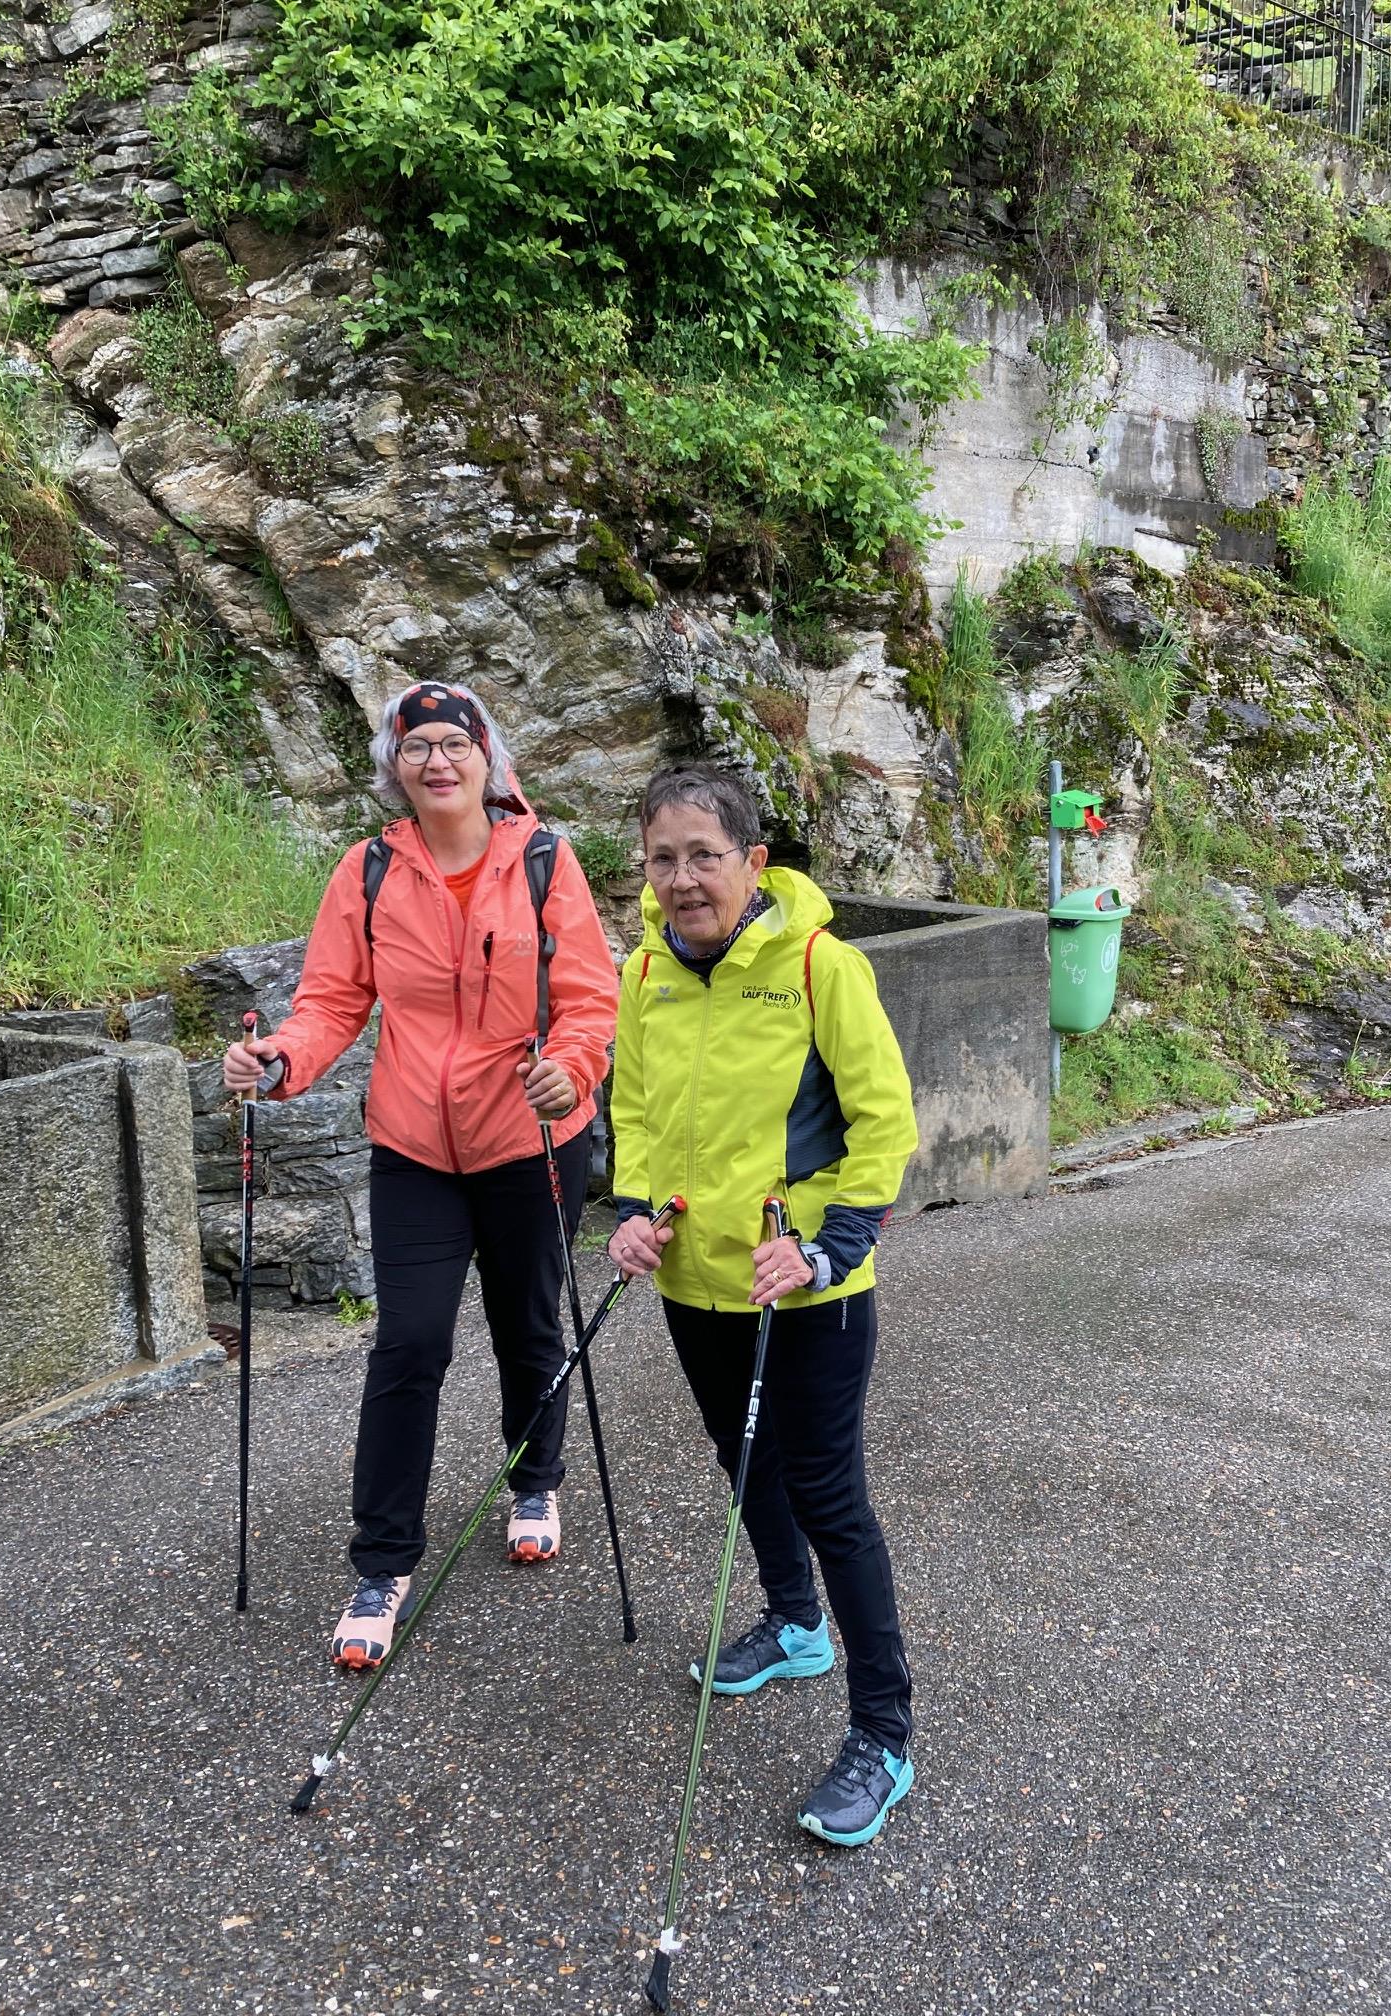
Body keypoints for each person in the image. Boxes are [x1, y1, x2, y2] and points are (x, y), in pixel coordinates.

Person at [222, 680, 617, 1669]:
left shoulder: (542, 861)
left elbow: (589, 1001)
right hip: (413, 1147)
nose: (437, 761)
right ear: (393, 769)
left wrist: (569, 1070)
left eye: (454, 742)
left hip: (530, 1139)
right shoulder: (365, 873)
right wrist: (280, 1061)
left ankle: (537, 1478)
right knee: (407, 1345)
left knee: (529, 1322)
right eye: (416, 747)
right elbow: (329, 999)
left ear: (489, 758)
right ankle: (382, 1561)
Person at [607, 764, 920, 1848]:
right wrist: (637, 1209)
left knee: (831, 1497)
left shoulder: (819, 965)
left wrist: (826, 1246)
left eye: (706, 855)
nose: (686, 878)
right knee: (744, 1463)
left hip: (810, 1287)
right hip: (698, 1281)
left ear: (754, 863)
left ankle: (883, 1735)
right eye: (664, 858)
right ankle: (794, 1623)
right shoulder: (646, 970)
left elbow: (883, 1125)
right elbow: (636, 1111)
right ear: (644, 869)